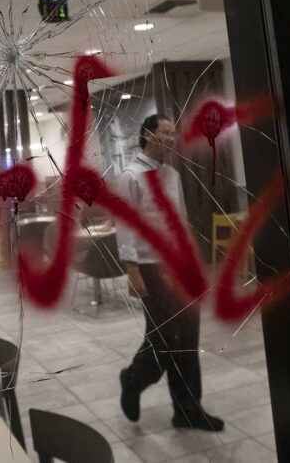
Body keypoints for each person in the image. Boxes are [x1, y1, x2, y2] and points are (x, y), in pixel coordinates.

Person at [116, 114, 224, 432]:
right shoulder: (131, 177)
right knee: (164, 338)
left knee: (188, 336)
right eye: (165, 132)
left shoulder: (172, 175)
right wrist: (132, 269)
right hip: (149, 267)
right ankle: (133, 379)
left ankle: (188, 409)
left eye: (174, 133)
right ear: (148, 134)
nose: (172, 138)